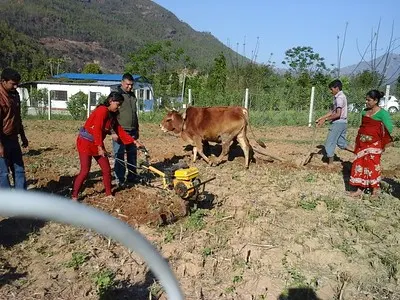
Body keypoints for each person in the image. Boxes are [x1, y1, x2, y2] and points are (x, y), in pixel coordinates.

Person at [72, 92, 142, 201]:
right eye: (117, 105)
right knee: (85, 171)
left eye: (120, 105)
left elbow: (119, 130)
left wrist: (134, 142)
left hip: (97, 143)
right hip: (86, 142)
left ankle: (108, 194)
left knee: (106, 169)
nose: (118, 107)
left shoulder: (112, 115)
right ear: (111, 101)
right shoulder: (102, 110)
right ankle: (74, 196)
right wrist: (100, 147)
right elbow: (97, 129)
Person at [348, 90, 393, 198]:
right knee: (359, 165)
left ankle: (375, 190)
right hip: (362, 144)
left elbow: (389, 128)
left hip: (375, 144)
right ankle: (359, 189)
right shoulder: (364, 112)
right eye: (366, 99)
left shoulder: (382, 113)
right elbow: (363, 126)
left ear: (376, 100)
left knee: (373, 166)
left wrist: (376, 135)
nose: (366, 102)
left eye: (369, 100)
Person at [0, 68, 29, 189]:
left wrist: (23, 136)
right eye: (13, 83)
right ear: (3, 81)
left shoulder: (14, 95)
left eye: (17, 83)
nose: (16, 86)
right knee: (3, 173)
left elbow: (17, 117)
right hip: (2, 139)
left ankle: (21, 201)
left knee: (19, 170)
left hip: (13, 138)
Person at [316, 79, 353, 165]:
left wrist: (325, 120)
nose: (330, 91)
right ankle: (358, 153)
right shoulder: (339, 97)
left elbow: (338, 114)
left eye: (331, 89)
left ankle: (330, 164)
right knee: (341, 143)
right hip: (343, 123)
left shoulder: (339, 98)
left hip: (338, 123)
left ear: (337, 88)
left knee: (330, 142)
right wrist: (321, 118)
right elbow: (332, 112)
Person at [112, 73, 140, 187]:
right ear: (122, 82)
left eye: (131, 85)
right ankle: (120, 179)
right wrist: (113, 132)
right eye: (128, 84)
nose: (130, 87)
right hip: (120, 131)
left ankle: (132, 176)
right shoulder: (116, 96)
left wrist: (137, 128)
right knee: (119, 155)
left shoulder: (133, 96)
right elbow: (111, 114)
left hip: (132, 131)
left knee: (132, 155)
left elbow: (134, 113)